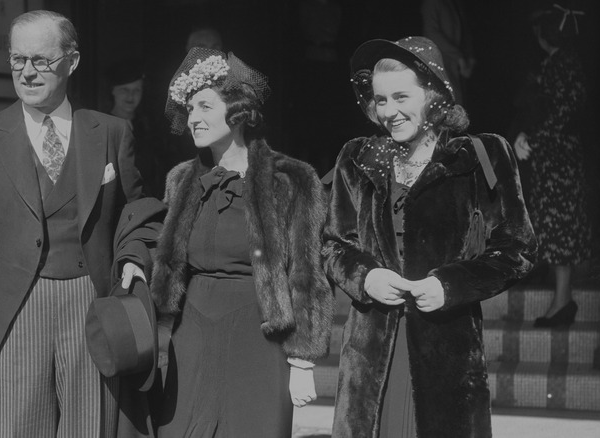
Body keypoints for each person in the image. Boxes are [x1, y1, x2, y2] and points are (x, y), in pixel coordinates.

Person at [0, 10, 148, 437]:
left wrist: (133, 258)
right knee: (13, 428)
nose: (28, 73)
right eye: (18, 60)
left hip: (90, 306)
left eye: (41, 60)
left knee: (90, 427)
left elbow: (138, 214)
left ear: (72, 61)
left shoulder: (111, 132)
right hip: (13, 313)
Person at [322, 37, 536, 437]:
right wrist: (366, 277)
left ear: (434, 95)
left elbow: (517, 248)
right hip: (371, 357)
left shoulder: (481, 156)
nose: (390, 111)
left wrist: (449, 285)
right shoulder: (357, 157)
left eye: (402, 96)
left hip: (447, 350)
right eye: (381, 100)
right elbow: (333, 242)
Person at [151, 48, 333, 437]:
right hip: (191, 335)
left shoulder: (291, 179)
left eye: (204, 106)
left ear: (236, 110)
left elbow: (307, 274)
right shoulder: (180, 179)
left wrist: (303, 361)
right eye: (189, 109)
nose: (193, 118)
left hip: (259, 337)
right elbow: (168, 264)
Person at [512, 4, 591, 328]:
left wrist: (535, 137)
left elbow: (563, 111)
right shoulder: (558, 63)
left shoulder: (564, 64)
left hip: (559, 158)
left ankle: (562, 300)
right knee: (556, 229)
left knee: (560, 229)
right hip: (554, 156)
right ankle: (561, 300)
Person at [106, 59, 167, 198]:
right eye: (124, 90)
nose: (130, 96)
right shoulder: (104, 126)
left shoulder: (149, 127)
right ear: (113, 91)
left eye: (136, 90)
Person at [421, 0, 475, 106]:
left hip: (457, 66)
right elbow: (432, 32)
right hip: (440, 63)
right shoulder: (432, 3)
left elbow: (465, 30)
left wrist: (470, 57)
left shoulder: (454, 4)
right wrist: (459, 56)